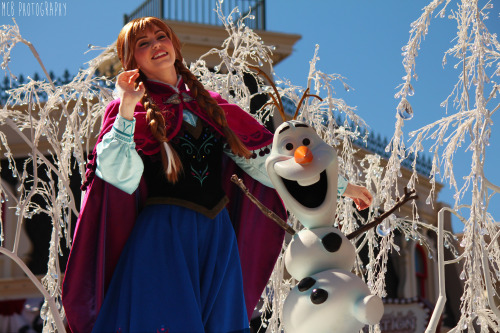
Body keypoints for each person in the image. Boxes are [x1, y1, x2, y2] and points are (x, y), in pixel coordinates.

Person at [62, 17, 372, 333]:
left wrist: (340, 187)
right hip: (163, 237)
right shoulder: (127, 109)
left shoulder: (210, 107)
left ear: (174, 46)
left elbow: (268, 162)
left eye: (161, 37)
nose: (156, 45)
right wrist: (127, 106)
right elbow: (117, 175)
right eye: (143, 43)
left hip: (217, 236)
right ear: (132, 61)